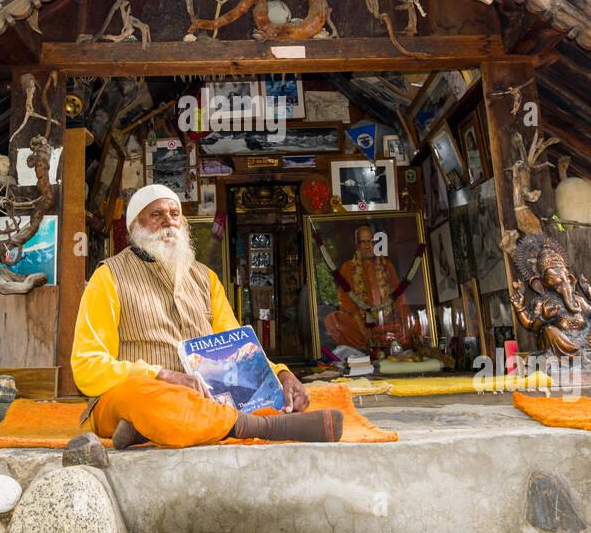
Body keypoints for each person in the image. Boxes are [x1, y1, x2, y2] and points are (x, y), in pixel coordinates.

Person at [71, 184, 343, 449]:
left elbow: (239, 348)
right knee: (146, 399)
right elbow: (86, 366)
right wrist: (160, 375)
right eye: (156, 214)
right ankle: (265, 428)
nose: (168, 221)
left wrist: (282, 375)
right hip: (138, 394)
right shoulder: (108, 277)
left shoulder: (205, 278)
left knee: (265, 394)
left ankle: (146, 430)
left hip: (203, 396)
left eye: (174, 214)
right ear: (134, 227)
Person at [324, 226, 415, 352]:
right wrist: (359, 321)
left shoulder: (387, 265)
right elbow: (345, 300)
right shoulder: (348, 267)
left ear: (375, 243)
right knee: (332, 320)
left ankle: (384, 343)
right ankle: (365, 347)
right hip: (361, 326)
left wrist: (405, 322)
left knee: (416, 325)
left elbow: (398, 296)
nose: (368, 246)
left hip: (387, 323)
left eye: (371, 241)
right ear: (357, 245)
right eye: (363, 242)